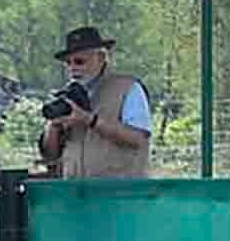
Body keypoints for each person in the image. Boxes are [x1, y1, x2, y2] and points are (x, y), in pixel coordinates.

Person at [38, 25, 153, 179]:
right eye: (68, 63)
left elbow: (138, 139)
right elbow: (50, 154)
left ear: (101, 57)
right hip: (76, 194)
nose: (72, 68)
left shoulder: (129, 88)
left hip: (121, 194)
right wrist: (54, 125)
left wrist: (89, 120)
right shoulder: (67, 96)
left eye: (79, 61)